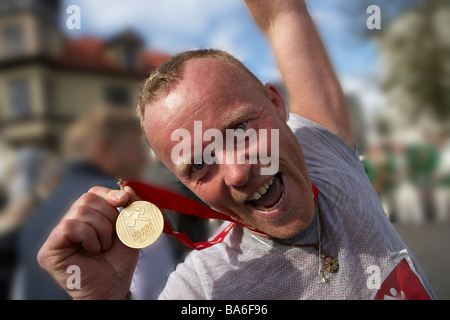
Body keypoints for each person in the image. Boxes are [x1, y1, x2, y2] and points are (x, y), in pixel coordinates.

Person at [37, 0, 436, 299]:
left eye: (240, 129)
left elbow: (282, 15)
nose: (238, 172)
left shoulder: (322, 146)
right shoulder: (204, 288)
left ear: (277, 106)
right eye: (197, 164)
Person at [12, 106, 175, 299]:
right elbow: (162, 291)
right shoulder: (121, 203)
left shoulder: (36, 214)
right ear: (103, 150)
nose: (144, 160)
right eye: (136, 148)